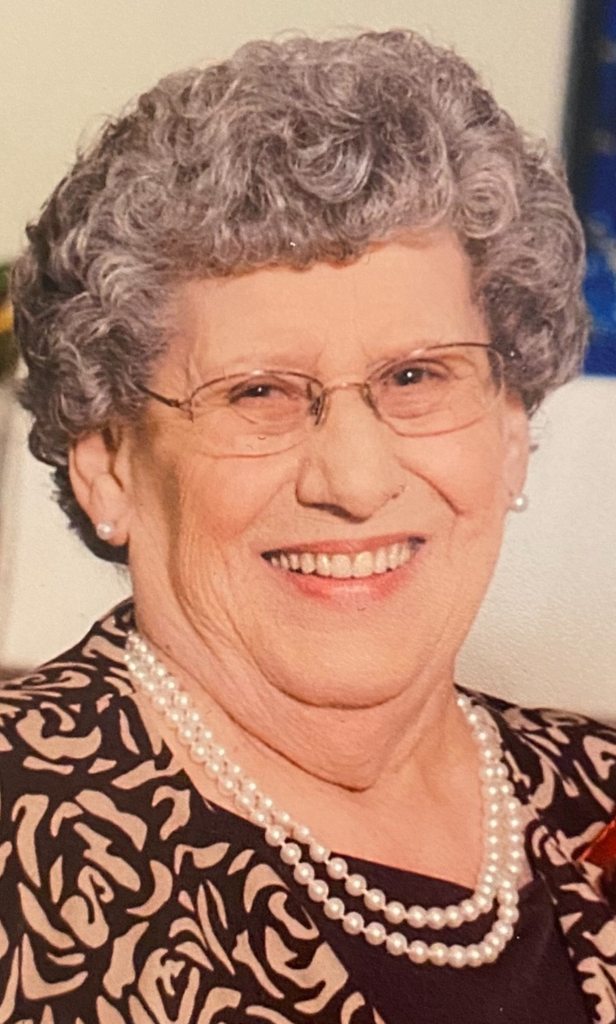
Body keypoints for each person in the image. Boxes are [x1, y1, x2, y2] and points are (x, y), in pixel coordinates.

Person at [2, 28, 615, 1024]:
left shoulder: (596, 791)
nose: (357, 481)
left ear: (511, 431)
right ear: (109, 465)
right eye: (258, 393)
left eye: (416, 376)